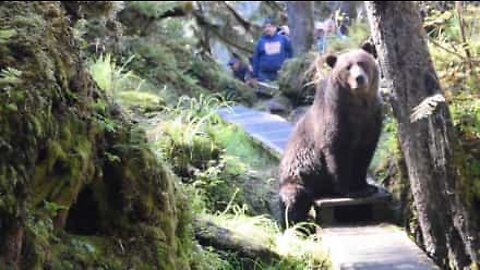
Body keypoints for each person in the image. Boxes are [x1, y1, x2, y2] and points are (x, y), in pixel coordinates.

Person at [252, 18, 293, 82]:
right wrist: (255, 75)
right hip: (264, 75)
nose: (267, 29)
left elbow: (290, 53)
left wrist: (289, 69)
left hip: (281, 73)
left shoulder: (283, 39)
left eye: (269, 26)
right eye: (265, 27)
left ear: (275, 28)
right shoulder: (261, 42)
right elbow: (256, 58)